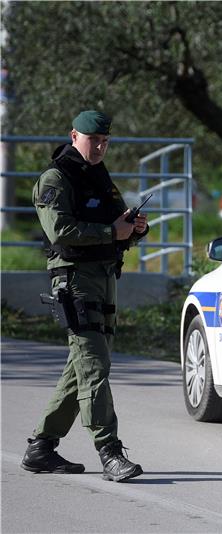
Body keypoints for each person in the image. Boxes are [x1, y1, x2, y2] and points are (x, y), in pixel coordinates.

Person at [22, 110, 149, 482]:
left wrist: (134, 228)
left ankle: (41, 448)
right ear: (74, 135)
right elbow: (60, 230)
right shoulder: (55, 178)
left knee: (80, 369)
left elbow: (115, 223)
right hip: (75, 281)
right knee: (94, 366)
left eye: (105, 141)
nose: (100, 146)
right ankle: (109, 452)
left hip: (104, 279)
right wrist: (112, 232)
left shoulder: (99, 175)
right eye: (94, 139)